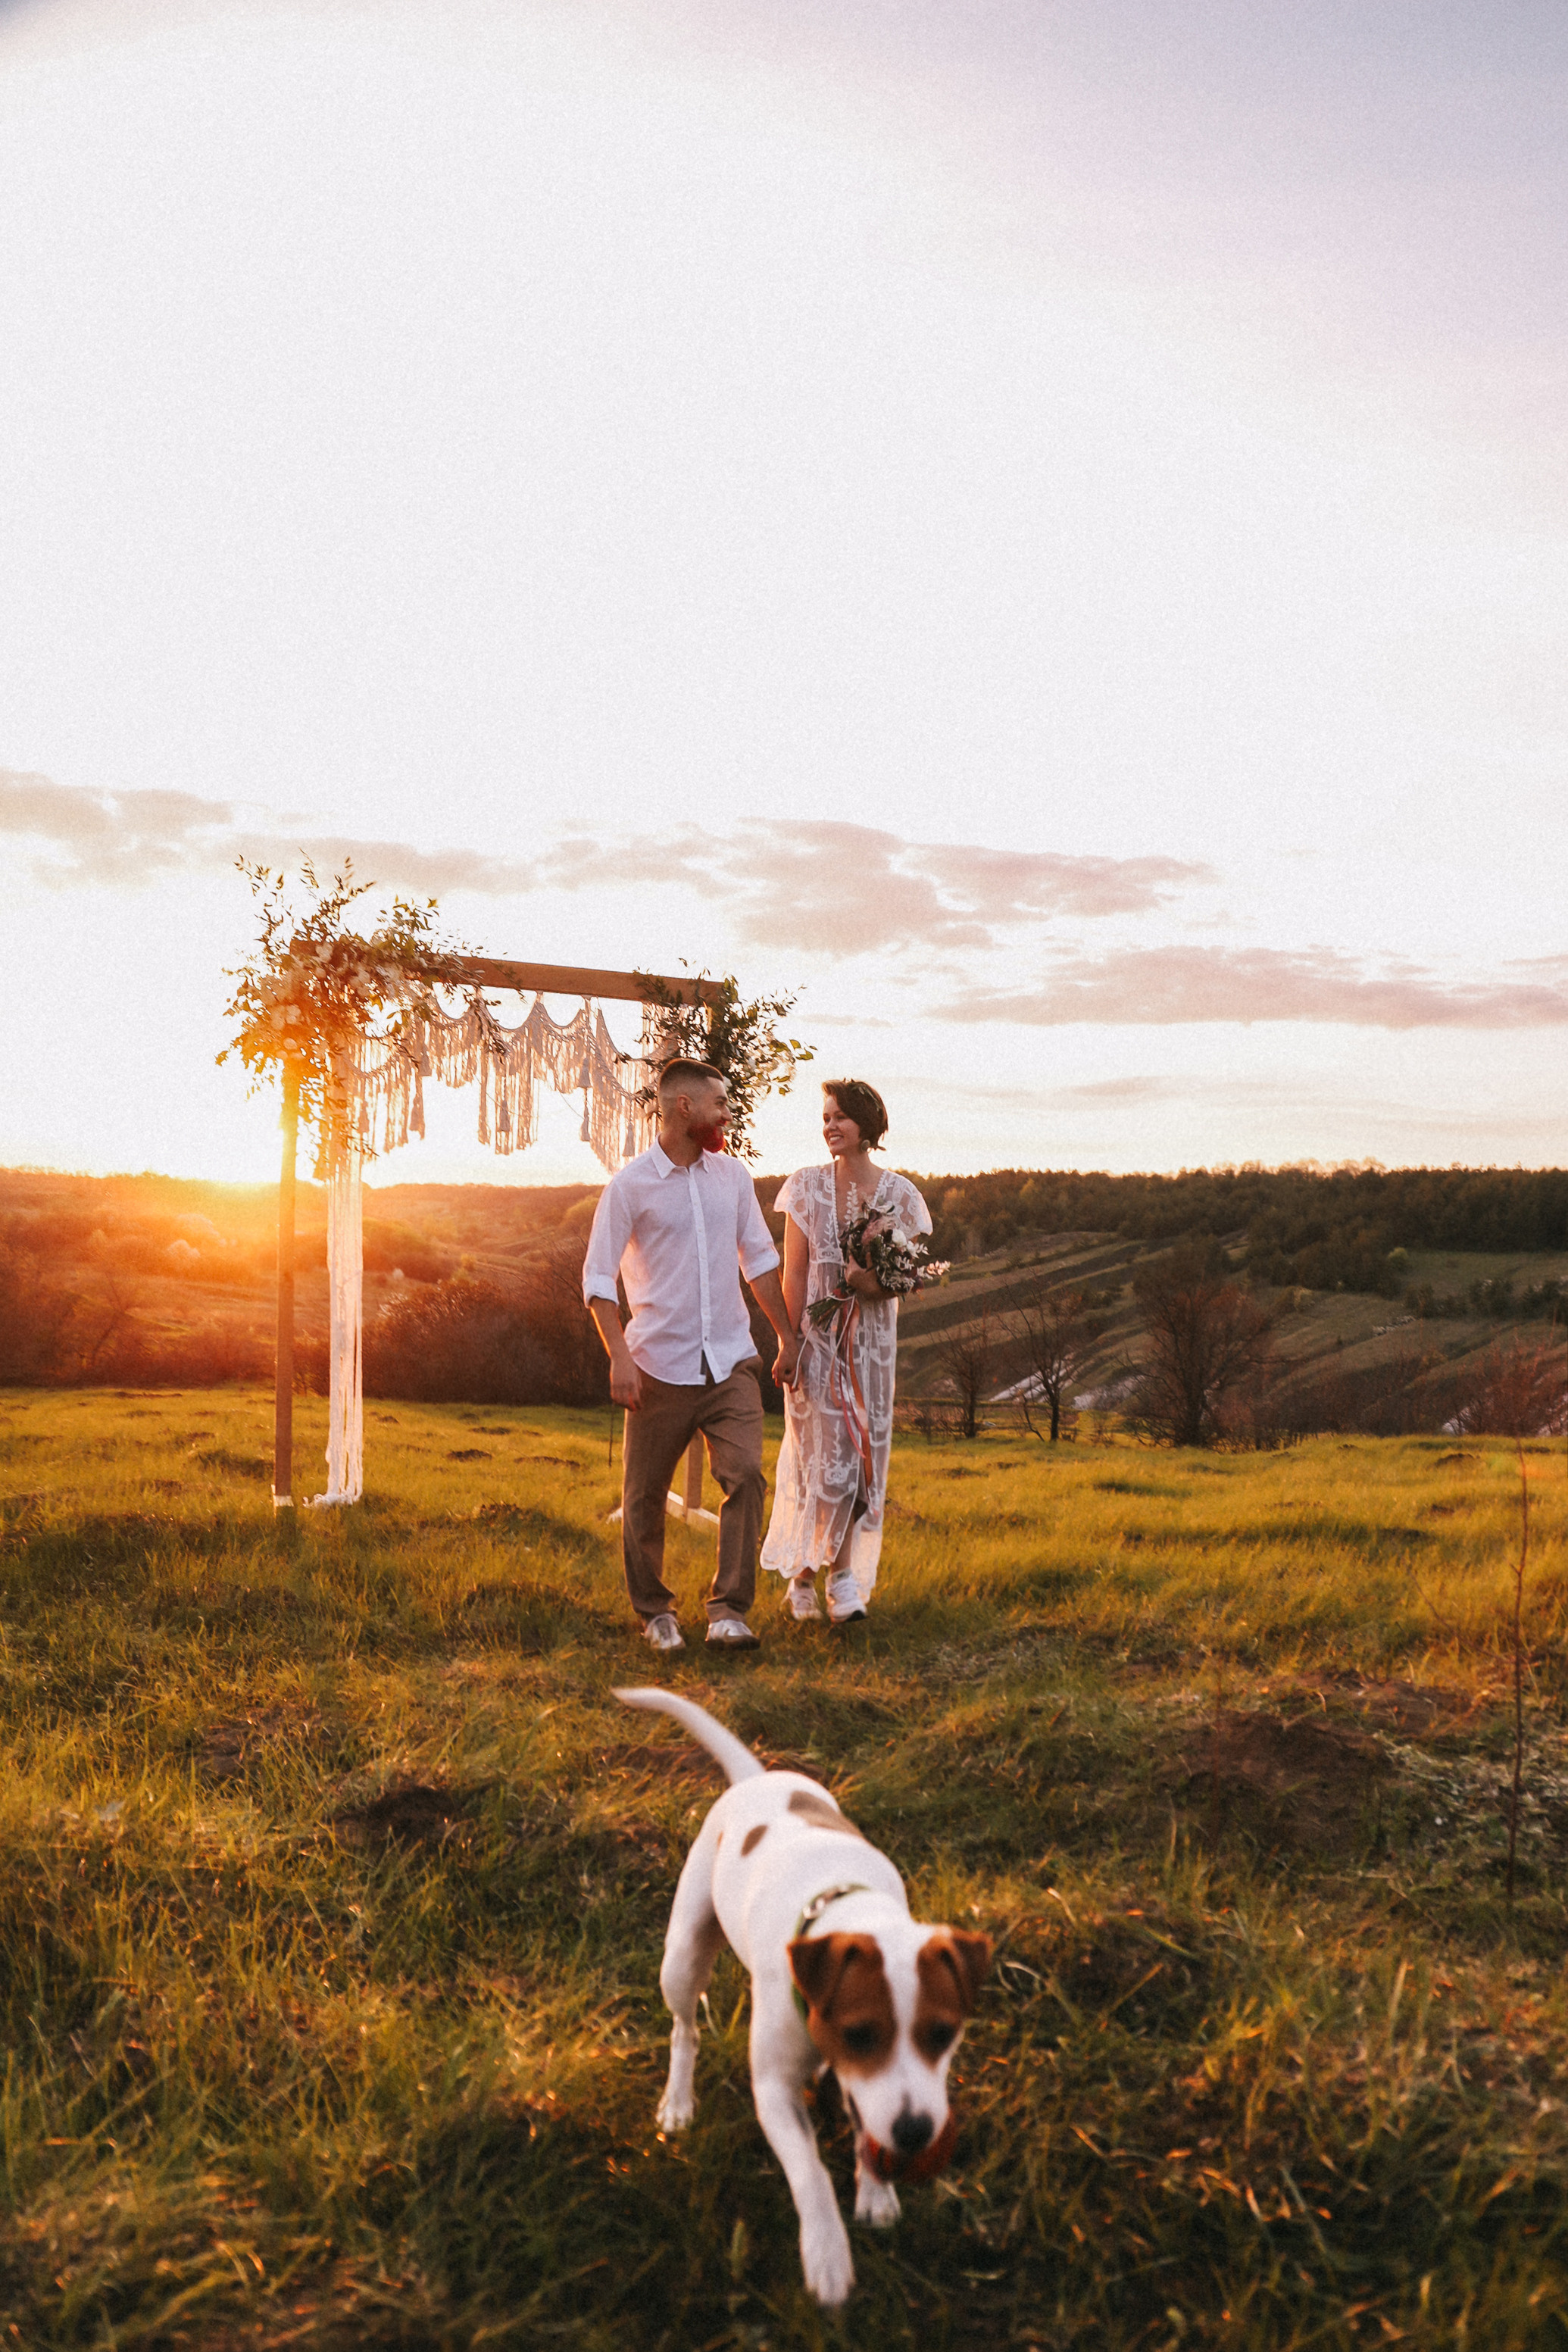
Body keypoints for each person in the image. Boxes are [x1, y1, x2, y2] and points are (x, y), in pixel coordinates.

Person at [583, 1058, 801, 1654]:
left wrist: (784, 1336)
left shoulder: (731, 1176)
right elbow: (598, 1280)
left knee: (746, 1477)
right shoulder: (630, 1186)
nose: (727, 1113)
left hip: (730, 1360)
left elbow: (758, 1260)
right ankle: (656, 1613)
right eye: (719, 1103)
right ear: (684, 1107)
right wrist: (619, 1355)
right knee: (644, 1497)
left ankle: (729, 1610)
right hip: (657, 1366)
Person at [761, 1079, 931, 1624]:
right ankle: (830, 1579)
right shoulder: (806, 1188)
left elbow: (908, 1277)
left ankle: (821, 1575)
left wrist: (871, 1283)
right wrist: (787, 1342)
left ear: (866, 1125)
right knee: (819, 1465)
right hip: (816, 1347)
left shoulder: (900, 1195)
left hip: (872, 1351)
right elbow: (793, 1273)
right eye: (826, 1116)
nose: (830, 1126)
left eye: (841, 1117)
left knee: (859, 1468)